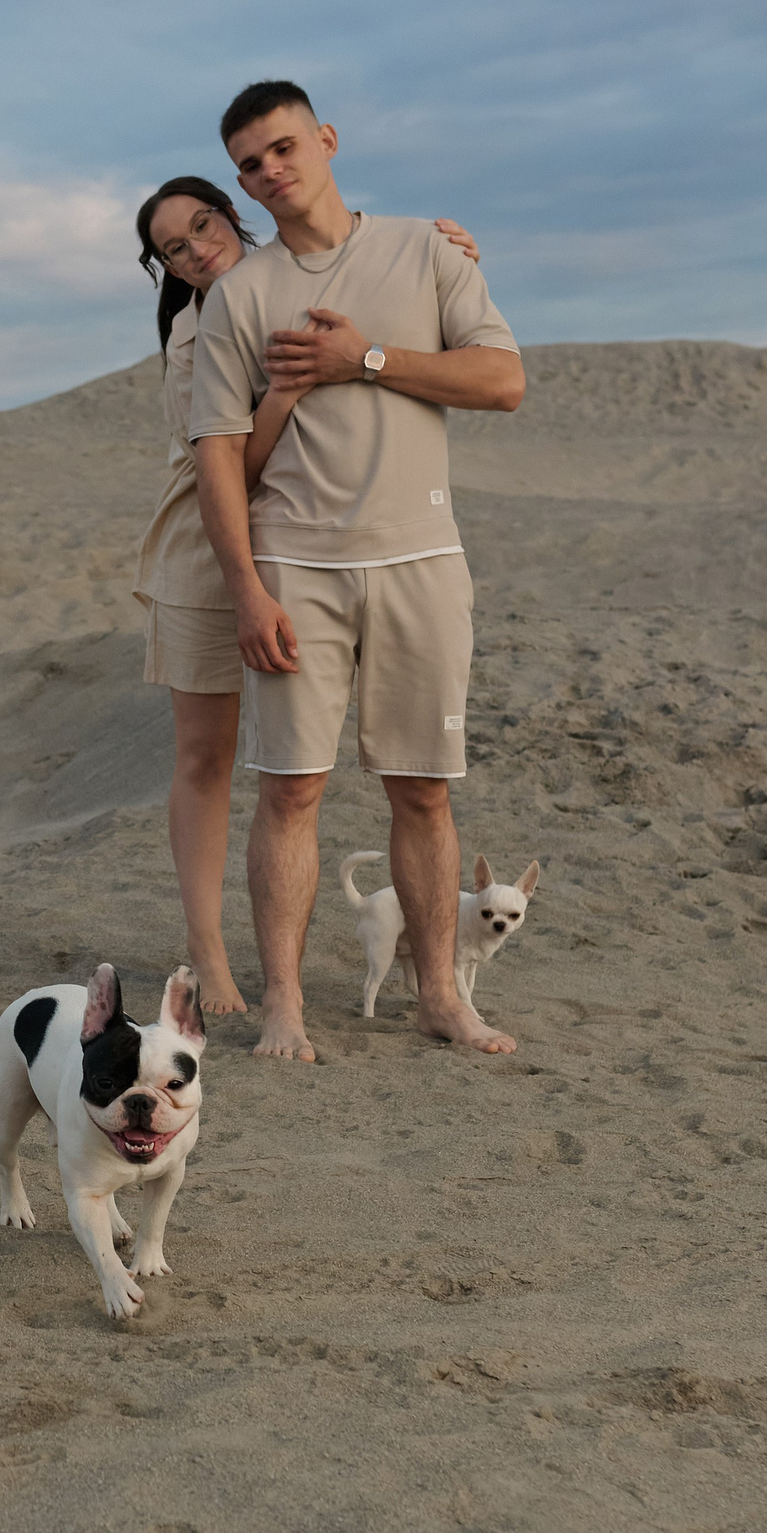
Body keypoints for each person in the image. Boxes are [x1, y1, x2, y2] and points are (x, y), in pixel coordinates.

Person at [187, 79, 526, 1061]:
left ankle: (438, 998)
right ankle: (285, 1003)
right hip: (295, 567)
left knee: (422, 789)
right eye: (250, 164)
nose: (270, 173)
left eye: (284, 148)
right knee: (291, 789)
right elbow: (216, 453)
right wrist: (247, 589)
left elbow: (501, 381)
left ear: (326, 140)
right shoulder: (240, 298)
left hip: (421, 561)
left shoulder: (425, 249)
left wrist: (366, 359)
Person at [132, 176, 478, 1020]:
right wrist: (285, 392)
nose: (194, 249)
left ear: (231, 213)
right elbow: (230, 461)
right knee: (209, 754)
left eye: (202, 225)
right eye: (172, 248)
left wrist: (454, 259)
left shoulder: (293, 279)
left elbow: (386, 296)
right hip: (210, 543)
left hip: (311, 540)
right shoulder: (193, 329)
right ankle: (210, 958)